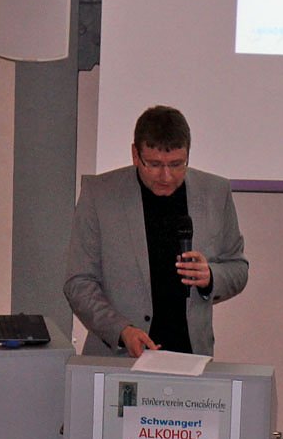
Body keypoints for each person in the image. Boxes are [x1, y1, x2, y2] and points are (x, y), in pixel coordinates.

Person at [64, 105, 248, 357]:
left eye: (177, 164)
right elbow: (79, 282)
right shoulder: (99, 194)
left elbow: (238, 267)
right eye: (154, 164)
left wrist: (211, 276)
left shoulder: (216, 192)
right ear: (135, 154)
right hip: (119, 357)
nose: (166, 176)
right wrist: (121, 330)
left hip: (191, 357)